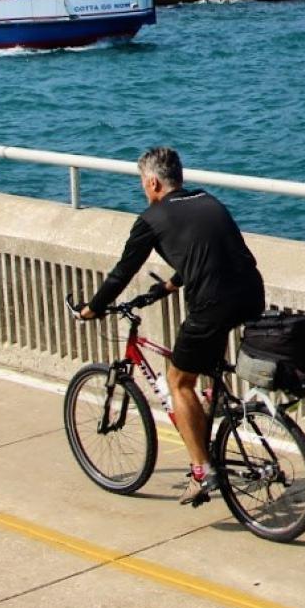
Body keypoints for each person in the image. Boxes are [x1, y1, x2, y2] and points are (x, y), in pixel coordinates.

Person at [78, 147, 265, 503]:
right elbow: (206, 250)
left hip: (211, 303)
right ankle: (213, 413)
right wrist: (171, 284)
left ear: (152, 181)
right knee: (206, 367)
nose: (143, 190)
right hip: (251, 293)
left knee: (179, 380)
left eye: (142, 184)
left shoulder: (151, 217)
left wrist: (93, 308)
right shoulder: (206, 199)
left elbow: (122, 272)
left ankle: (201, 471)